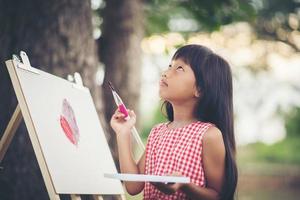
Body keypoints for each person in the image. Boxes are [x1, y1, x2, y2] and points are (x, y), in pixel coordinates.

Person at [110, 44, 237, 200]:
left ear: (200, 89)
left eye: (179, 69)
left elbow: (218, 196)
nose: (166, 73)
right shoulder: (157, 133)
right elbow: (133, 186)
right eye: (170, 66)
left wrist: (185, 186)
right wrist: (123, 133)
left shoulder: (209, 135)